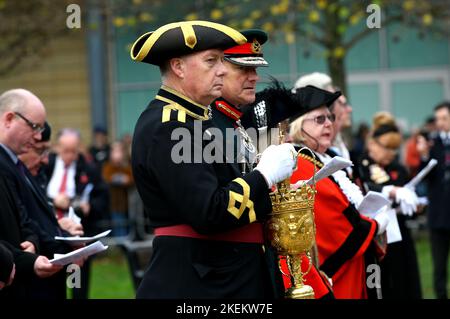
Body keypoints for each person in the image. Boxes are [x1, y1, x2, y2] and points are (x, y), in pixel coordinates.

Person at [130, 20, 298, 298]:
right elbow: (210, 212)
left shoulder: (198, 119)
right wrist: (264, 175)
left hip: (226, 276)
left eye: (222, 61)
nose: (222, 69)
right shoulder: (170, 124)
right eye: (211, 61)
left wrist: (275, 198)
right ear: (178, 67)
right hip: (201, 282)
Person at [288, 87, 390, 298]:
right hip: (336, 275)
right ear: (299, 126)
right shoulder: (300, 163)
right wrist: (375, 225)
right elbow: (335, 222)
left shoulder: (318, 157)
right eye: (319, 119)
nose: (328, 123)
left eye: (330, 117)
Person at [0, 89, 62, 298]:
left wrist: (32, 241)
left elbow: (23, 217)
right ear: (9, 119)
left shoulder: (13, 163)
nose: (37, 136)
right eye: (34, 127)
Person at [358, 112, 422, 299]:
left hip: (400, 232)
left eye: (395, 149)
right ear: (372, 143)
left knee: (405, 278)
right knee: (383, 282)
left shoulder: (397, 167)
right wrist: (392, 191)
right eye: (387, 148)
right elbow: (366, 189)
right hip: (378, 233)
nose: (391, 153)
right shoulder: (362, 164)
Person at [44, 128, 110, 299]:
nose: (70, 156)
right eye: (66, 151)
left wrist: (89, 206)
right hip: (50, 231)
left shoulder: (88, 168)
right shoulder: (46, 164)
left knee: (77, 283)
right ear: (58, 147)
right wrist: (53, 200)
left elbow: (102, 196)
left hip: (78, 234)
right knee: (51, 282)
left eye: (74, 151)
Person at [418, 101, 450, 299]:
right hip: (438, 215)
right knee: (439, 267)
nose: (439, 123)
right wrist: (423, 156)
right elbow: (425, 178)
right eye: (437, 119)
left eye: (444, 119)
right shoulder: (432, 144)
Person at [102, 141, 134, 238]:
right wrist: (120, 177)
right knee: (118, 229)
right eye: (114, 151)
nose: (117, 154)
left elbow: (130, 179)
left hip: (128, 205)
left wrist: (122, 168)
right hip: (114, 205)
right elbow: (108, 177)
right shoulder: (108, 166)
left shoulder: (127, 165)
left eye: (119, 151)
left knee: (129, 228)